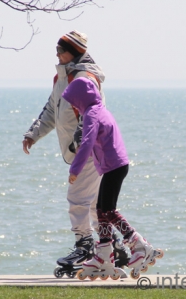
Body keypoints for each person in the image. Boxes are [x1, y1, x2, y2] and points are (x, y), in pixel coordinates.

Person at [22, 30, 129, 274]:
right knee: (94, 204)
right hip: (84, 151)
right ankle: (113, 246)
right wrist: (33, 134)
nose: (56, 53)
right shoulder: (61, 78)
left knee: (78, 200)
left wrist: (78, 145)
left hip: (89, 151)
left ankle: (86, 246)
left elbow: (92, 113)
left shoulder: (84, 78)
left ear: (75, 52)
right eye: (57, 49)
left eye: (61, 49)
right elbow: (51, 110)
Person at [61, 77, 164, 280]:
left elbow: (87, 142)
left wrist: (75, 169)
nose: (73, 105)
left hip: (114, 167)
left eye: (74, 101)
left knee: (108, 210)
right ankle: (104, 253)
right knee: (101, 209)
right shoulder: (100, 109)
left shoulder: (92, 113)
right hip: (116, 165)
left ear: (81, 98)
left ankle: (140, 245)